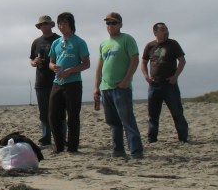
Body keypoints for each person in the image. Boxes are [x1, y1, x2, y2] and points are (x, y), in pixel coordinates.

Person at [94, 12, 144, 159]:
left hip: (121, 88)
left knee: (127, 120)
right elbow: (100, 66)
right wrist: (96, 87)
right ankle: (118, 151)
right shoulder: (103, 44)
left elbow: (135, 59)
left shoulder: (127, 39)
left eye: (113, 23)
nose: (110, 26)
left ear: (120, 24)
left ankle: (136, 151)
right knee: (113, 122)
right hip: (106, 88)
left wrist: (126, 80)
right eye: (108, 23)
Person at [48, 12, 91, 154]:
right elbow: (51, 62)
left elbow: (86, 64)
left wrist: (70, 70)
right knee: (53, 116)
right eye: (60, 24)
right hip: (57, 83)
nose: (62, 26)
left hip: (73, 83)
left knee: (72, 117)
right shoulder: (56, 43)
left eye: (64, 23)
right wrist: (53, 66)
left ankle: (72, 147)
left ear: (71, 24)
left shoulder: (79, 42)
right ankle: (58, 146)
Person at [141, 23, 189, 143]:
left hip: (169, 84)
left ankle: (183, 138)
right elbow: (143, 62)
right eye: (162, 30)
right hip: (154, 84)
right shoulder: (150, 46)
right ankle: (152, 139)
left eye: (166, 29)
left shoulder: (173, 44)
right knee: (153, 114)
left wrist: (175, 76)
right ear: (155, 32)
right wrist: (146, 76)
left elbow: (182, 61)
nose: (166, 31)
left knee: (177, 112)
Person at [29, 15, 60, 146]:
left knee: (58, 110)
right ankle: (46, 137)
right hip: (41, 82)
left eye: (46, 24)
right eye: (42, 24)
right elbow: (31, 60)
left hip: (57, 80)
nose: (44, 26)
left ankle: (60, 137)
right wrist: (35, 62)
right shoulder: (36, 42)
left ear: (51, 25)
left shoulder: (59, 39)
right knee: (44, 112)